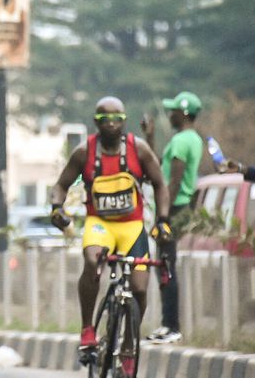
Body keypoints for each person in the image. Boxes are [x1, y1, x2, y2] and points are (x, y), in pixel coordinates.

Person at [50, 97, 170, 377]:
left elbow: (160, 184)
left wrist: (163, 220)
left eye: (117, 119)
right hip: (100, 225)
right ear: (96, 122)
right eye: (105, 120)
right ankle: (87, 329)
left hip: (132, 227)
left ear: (124, 121)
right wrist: (56, 207)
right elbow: (61, 185)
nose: (112, 124)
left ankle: (128, 344)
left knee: (139, 288)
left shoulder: (138, 150)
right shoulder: (84, 152)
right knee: (92, 262)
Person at [141, 91, 203, 344]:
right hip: (179, 207)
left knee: (166, 265)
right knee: (165, 264)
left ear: (184, 113)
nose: (169, 114)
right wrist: (150, 137)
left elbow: (173, 182)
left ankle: (171, 326)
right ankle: (168, 324)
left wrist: (163, 216)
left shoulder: (180, 142)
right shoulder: (192, 139)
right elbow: (157, 168)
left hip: (173, 208)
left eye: (173, 111)